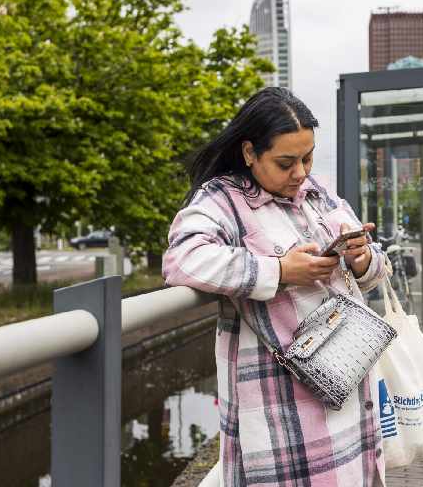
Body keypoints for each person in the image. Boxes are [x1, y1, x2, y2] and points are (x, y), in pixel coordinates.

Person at [163, 88, 390, 486]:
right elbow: (182, 259)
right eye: (286, 162)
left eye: (307, 157)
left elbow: (374, 273)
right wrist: (280, 271)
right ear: (250, 153)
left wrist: (360, 258)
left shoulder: (318, 194)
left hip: (347, 383)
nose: (301, 172)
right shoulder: (222, 200)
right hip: (281, 403)